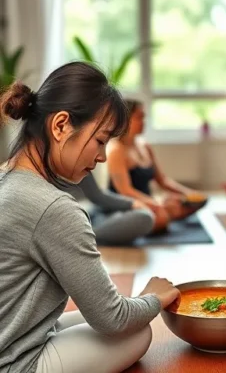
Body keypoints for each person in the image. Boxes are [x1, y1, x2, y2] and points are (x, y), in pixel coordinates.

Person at [0, 62, 180, 373]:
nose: (102, 156)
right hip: (14, 363)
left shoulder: (5, 178)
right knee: (136, 330)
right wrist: (154, 299)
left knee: (100, 311)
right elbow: (114, 320)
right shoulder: (53, 208)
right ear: (60, 126)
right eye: (100, 140)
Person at [107, 99, 206, 232]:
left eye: (144, 117)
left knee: (184, 204)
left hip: (149, 203)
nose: (144, 122)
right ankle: (161, 217)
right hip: (128, 206)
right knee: (162, 217)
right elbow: (125, 191)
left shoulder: (145, 146)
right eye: (139, 118)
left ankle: (164, 215)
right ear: (125, 120)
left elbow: (162, 180)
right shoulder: (116, 151)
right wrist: (157, 204)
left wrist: (190, 194)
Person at [67, 172, 155, 245]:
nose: (102, 158)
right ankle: (83, 237)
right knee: (145, 218)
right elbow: (125, 190)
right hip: (76, 223)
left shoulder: (80, 164)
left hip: (93, 214)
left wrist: (132, 204)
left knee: (144, 216)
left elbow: (97, 196)